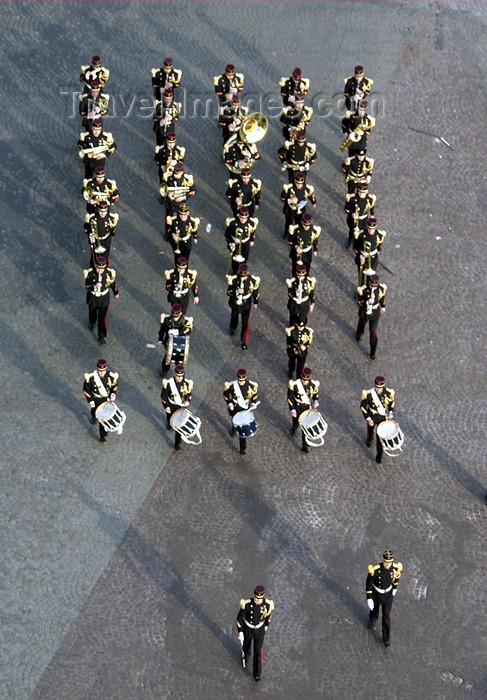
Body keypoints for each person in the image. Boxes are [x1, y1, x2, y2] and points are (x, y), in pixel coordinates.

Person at [236, 585, 274, 681]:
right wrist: (240, 632)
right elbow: (239, 619)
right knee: (246, 645)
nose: (257, 601)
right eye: (256, 599)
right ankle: (246, 656)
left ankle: (257, 674)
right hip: (248, 629)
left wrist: (266, 625)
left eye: (259, 600)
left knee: (257, 652)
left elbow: (268, 616)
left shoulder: (267, 605)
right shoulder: (247, 604)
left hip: (259, 630)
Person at [366, 549, 402, 648]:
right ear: (383, 560)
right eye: (386, 562)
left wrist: (394, 588)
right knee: (375, 609)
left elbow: (397, 577)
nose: (387, 565)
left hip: (388, 595)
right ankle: (372, 619)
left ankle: (386, 639)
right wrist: (369, 598)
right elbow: (369, 583)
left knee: (386, 616)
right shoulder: (375, 570)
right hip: (376, 594)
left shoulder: (394, 568)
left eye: (389, 562)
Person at [84, 256, 119, 344]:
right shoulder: (90, 273)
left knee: (102, 318)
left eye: (101, 269)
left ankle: (101, 335)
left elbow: (113, 284)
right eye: (98, 268)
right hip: (93, 298)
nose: (99, 271)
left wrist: (116, 293)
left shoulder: (109, 273)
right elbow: (87, 286)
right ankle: (92, 322)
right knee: (92, 312)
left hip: (104, 299)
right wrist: (94, 287)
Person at [223, 368, 259, 455]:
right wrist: (229, 403)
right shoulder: (232, 386)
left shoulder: (251, 385)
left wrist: (254, 403)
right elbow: (226, 395)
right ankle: (233, 428)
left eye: (242, 381)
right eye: (239, 381)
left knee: (242, 430)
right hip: (235, 408)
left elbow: (254, 396)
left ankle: (243, 448)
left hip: (245, 409)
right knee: (234, 421)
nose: (241, 383)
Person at [360, 375, 395, 464]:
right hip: (372, 415)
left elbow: (391, 403)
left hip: (382, 417)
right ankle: (369, 440)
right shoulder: (369, 394)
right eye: (376, 388)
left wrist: (391, 412)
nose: (378, 390)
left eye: (380, 388)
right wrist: (368, 418)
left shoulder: (387, 393)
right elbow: (363, 406)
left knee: (380, 437)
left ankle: (379, 456)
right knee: (370, 430)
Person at [83, 358, 118, 442]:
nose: (101, 373)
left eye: (103, 371)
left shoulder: (110, 376)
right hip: (95, 399)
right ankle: (93, 417)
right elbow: (86, 390)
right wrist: (91, 400)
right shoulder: (90, 377)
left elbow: (114, 387)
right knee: (94, 412)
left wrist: (113, 394)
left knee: (103, 418)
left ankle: (102, 435)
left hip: (105, 400)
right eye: (100, 371)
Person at [226, 263, 260, 350]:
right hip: (235, 301)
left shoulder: (252, 280)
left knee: (245, 322)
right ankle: (233, 327)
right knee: (234, 316)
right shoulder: (234, 280)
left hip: (246, 303)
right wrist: (236, 292)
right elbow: (229, 292)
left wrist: (255, 303)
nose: (243, 278)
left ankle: (244, 341)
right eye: (242, 276)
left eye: (244, 276)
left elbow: (255, 292)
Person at [287, 366, 320, 453]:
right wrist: (292, 409)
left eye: (306, 380)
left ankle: (304, 446)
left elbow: (315, 394)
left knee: (305, 428)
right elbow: (290, 398)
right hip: (297, 407)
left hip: (306, 408)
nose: (304, 382)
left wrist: (316, 401)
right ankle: (294, 428)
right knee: (296, 421)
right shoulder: (295, 385)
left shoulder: (312, 384)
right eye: (303, 380)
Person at [160, 364, 193, 451]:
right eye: (177, 376)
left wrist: (187, 401)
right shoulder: (169, 383)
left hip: (180, 407)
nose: (179, 378)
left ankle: (177, 443)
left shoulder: (186, 383)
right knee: (170, 418)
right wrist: (166, 406)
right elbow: (163, 396)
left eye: (180, 377)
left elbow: (189, 394)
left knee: (179, 427)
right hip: (171, 406)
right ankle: (169, 424)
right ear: (174, 374)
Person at [356, 274, 387, 361]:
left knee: (373, 332)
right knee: (361, 324)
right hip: (365, 312)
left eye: (374, 286)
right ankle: (359, 334)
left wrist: (383, 306)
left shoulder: (380, 289)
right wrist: (366, 301)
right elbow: (359, 300)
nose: (372, 288)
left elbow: (382, 298)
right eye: (371, 286)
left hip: (374, 313)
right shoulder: (364, 290)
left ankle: (373, 352)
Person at [157, 303, 193, 376]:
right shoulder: (167, 320)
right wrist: (160, 340)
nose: (175, 318)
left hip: (181, 343)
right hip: (168, 342)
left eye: (177, 317)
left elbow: (188, 331)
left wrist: (177, 332)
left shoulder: (185, 321)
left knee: (179, 359)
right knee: (167, 358)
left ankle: (179, 372)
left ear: (180, 314)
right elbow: (162, 331)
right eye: (174, 317)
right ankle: (165, 370)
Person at [280, 171, 317, 238]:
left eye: (300, 184)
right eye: (297, 183)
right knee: (288, 222)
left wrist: (313, 203)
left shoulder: (306, 189)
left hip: (300, 210)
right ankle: (287, 233)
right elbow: (282, 198)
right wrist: (290, 200)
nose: (298, 185)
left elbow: (310, 195)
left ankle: (296, 236)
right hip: (290, 209)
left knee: (299, 224)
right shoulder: (289, 188)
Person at [353, 216, 387, 287]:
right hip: (363, 258)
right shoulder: (361, 235)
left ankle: (368, 291)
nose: (371, 231)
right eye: (369, 229)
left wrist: (377, 251)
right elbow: (355, 248)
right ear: (367, 228)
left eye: (373, 229)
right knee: (361, 277)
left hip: (372, 259)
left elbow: (379, 246)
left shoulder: (378, 235)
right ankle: (361, 292)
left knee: (370, 278)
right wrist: (360, 255)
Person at [224, 206, 259, 275]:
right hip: (235, 243)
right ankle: (234, 271)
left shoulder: (251, 223)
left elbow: (252, 232)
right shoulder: (233, 223)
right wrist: (230, 244)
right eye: (241, 218)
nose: (243, 220)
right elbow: (227, 235)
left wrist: (252, 240)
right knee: (234, 260)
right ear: (238, 215)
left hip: (245, 243)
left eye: (245, 218)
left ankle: (242, 271)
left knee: (245, 258)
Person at [84, 200, 119, 265]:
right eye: (101, 211)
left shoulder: (110, 218)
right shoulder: (93, 218)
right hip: (96, 240)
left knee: (105, 255)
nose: (103, 214)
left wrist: (112, 234)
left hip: (106, 240)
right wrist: (90, 236)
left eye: (105, 212)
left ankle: (104, 266)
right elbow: (87, 229)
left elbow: (112, 229)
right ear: (98, 210)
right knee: (95, 256)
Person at [287, 212, 321, 277]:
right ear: (302, 222)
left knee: (307, 265)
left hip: (307, 252)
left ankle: (305, 276)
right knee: (295, 267)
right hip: (297, 252)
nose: (306, 227)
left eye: (308, 225)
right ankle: (295, 277)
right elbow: (290, 240)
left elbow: (315, 239)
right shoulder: (296, 229)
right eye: (305, 225)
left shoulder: (313, 230)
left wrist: (315, 250)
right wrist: (296, 247)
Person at [344, 182, 376, 248]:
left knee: (362, 232)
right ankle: (350, 241)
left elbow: (371, 206)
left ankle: (358, 245)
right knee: (352, 231)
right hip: (354, 219)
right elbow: (347, 209)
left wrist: (372, 214)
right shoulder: (353, 198)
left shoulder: (369, 199)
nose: (361, 194)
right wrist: (352, 214)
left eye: (363, 193)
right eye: (360, 192)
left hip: (364, 219)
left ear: (366, 192)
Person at [285, 315, 314, 379]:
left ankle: (299, 377)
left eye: (302, 327)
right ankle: (291, 371)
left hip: (302, 352)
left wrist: (305, 347)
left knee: (300, 366)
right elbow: (289, 343)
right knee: (292, 363)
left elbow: (308, 342)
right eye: (298, 326)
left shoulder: (308, 332)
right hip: (293, 351)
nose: (300, 328)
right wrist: (294, 349)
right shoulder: (291, 331)